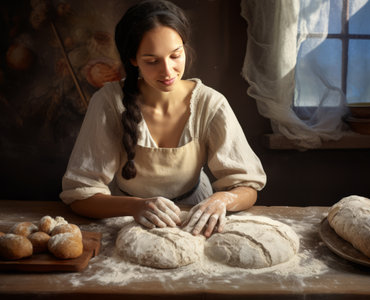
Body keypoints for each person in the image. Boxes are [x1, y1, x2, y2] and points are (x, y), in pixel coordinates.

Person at [60, 0, 266, 238]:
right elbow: (80, 195)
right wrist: (135, 206)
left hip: (195, 217)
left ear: (185, 48)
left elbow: (247, 186)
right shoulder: (108, 102)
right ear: (133, 59)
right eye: (152, 61)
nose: (168, 71)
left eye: (176, 55)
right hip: (125, 216)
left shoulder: (210, 103)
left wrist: (221, 200)